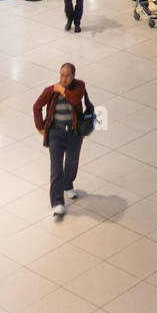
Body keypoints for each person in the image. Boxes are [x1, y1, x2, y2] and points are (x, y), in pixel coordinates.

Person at [32, 63, 94, 217]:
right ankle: (57, 202)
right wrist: (40, 127)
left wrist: (62, 90)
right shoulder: (51, 90)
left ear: (73, 76)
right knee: (56, 168)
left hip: (74, 133)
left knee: (72, 162)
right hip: (56, 134)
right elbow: (37, 106)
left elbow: (74, 99)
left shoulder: (79, 87)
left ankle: (68, 184)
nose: (63, 78)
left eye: (67, 75)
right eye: (61, 75)